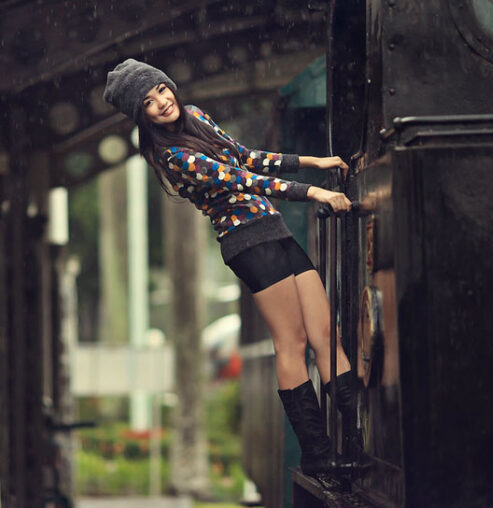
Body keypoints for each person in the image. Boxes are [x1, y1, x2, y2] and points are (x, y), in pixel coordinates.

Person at [103, 59, 360, 476]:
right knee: (291, 344)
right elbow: (240, 178)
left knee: (325, 335)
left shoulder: (197, 118)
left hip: (272, 227)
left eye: (161, 91)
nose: (162, 103)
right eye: (148, 103)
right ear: (141, 116)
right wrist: (310, 191)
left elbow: (247, 157)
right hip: (246, 242)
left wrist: (315, 161)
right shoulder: (170, 155)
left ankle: (357, 446)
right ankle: (317, 453)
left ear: (170, 86)